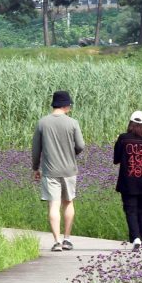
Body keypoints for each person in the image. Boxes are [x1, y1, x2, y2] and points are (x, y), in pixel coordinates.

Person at [32, 90, 85, 252]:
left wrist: (35, 167)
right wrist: (72, 153)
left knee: (53, 205)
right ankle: (67, 239)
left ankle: (57, 242)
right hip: (69, 170)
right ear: (66, 105)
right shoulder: (73, 123)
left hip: (50, 171)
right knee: (68, 202)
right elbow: (81, 145)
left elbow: (36, 149)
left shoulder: (42, 123)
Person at [113, 110, 142, 252]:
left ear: (130, 123)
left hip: (128, 182)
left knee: (130, 211)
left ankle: (136, 238)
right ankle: (140, 240)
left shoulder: (123, 139)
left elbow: (116, 159)